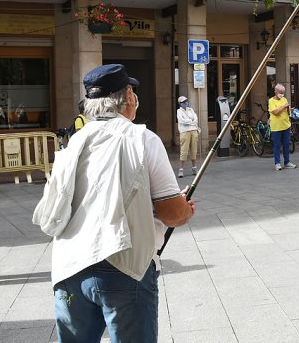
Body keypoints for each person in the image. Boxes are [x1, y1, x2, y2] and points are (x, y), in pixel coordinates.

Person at [33, 63, 195, 343]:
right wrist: (184, 208)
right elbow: (171, 213)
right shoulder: (142, 138)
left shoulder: (74, 141)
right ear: (129, 98)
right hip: (125, 266)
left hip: (69, 266)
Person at [269, 83, 295, 171]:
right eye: (280, 92)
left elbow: (286, 111)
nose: (282, 94)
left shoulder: (284, 99)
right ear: (275, 91)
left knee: (286, 145)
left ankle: (287, 162)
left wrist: (290, 110)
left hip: (286, 125)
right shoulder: (271, 101)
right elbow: (275, 112)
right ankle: (277, 163)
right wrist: (284, 107)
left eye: (283, 92)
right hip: (276, 127)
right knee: (277, 145)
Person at [176, 95, 199, 178]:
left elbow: (196, 119)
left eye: (186, 101)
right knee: (184, 151)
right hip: (184, 132)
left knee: (194, 150)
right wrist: (190, 121)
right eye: (183, 102)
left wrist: (190, 122)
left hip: (193, 130)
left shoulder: (191, 110)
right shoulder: (179, 111)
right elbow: (182, 121)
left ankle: (194, 168)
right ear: (180, 103)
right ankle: (181, 170)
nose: (185, 103)